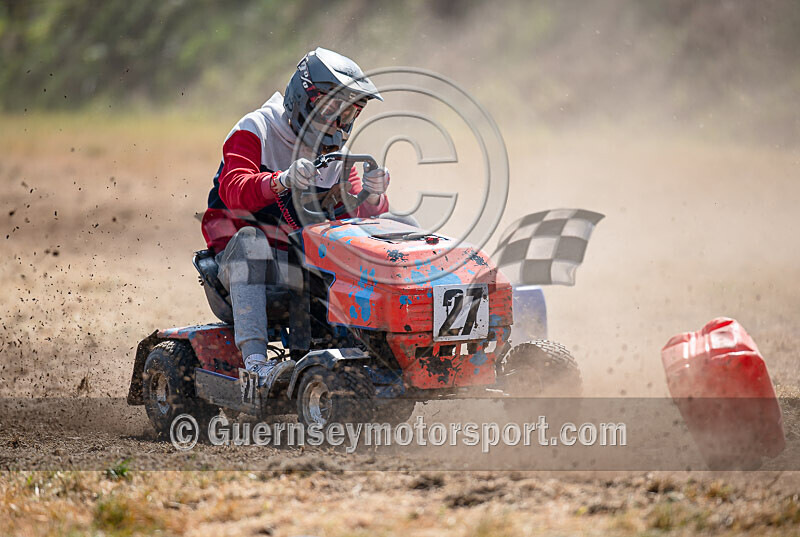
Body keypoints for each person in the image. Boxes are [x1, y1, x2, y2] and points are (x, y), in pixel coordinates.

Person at [200, 47, 389, 385]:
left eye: (348, 115)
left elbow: (358, 222)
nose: (339, 124)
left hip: (306, 267)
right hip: (242, 272)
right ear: (305, 99)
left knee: (403, 230)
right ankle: (257, 365)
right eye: (333, 111)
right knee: (251, 242)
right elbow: (234, 191)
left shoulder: (337, 157)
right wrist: (280, 181)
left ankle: (391, 349)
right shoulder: (257, 129)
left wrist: (373, 196)